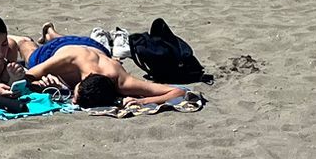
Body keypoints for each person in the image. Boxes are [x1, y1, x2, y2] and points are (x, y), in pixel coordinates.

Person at [21, 38, 192, 109]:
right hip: (62, 47)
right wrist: (36, 84)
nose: (72, 99)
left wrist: (143, 100)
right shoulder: (72, 59)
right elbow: (30, 75)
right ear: (85, 78)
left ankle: (50, 32)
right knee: (30, 54)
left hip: (95, 46)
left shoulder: (122, 82)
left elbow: (179, 91)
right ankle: (40, 36)